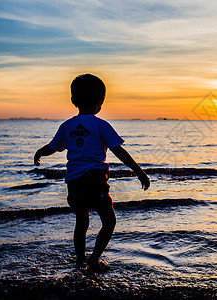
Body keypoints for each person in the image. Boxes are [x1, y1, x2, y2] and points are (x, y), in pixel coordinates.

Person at [34, 74, 150, 273]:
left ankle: (80, 260)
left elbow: (52, 147)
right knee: (109, 221)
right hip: (95, 179)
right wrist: (139, 172)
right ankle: (94, 258)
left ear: (73, 101)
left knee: (82, 221)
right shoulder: (101, 125)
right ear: (100, 102)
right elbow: (119, 151)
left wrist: (39, 153)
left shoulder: (67, 126)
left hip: (74, 181)